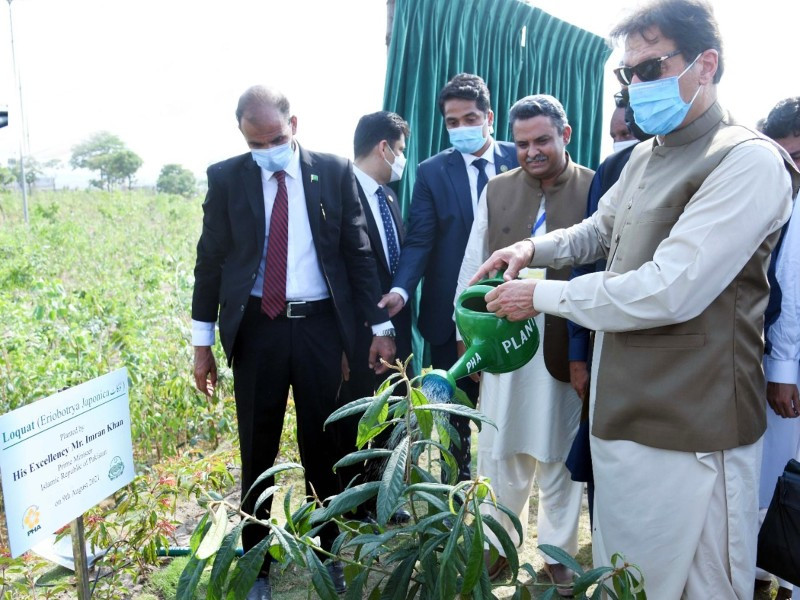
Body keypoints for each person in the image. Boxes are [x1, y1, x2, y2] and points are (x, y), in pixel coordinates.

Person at [468, 1, 799, 597]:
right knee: (630, 579)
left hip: (694, 427)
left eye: (650, 68)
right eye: (628, 74)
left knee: (700, 585)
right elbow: (600, 229)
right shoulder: (649, 153)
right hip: (622, 410)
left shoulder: (745, 160)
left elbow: (670, 289)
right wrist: (530, 250)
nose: (636, 85)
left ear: (706, 64)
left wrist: (542, 297)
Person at [191, 85, 396, 600]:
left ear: (295, 124)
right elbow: (210, 261)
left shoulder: (331, 171)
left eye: (276, 139)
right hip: (257, 330)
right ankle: (259, 560)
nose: (267, 151)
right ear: (242, 135)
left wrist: (379, 328)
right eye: (256, 143)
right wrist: (202, 344)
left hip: (322, 329)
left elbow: (358, 252)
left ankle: (328, 553)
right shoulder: (227, 178)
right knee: (256, 448)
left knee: (325, 445)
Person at [454, 94, 593, 589]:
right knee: (501, 449)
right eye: (522, 143)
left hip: (563, 344)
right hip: (502, 344)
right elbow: (474, 263)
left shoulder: (594, 187)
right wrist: (464, 336)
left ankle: (557, 556)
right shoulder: (496, 188)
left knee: (558, 454)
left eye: (542, 141)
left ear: (565, 135)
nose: (532, 152)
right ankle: (497, 547)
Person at [379, 73, 518, 482]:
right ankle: (455, 494)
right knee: (454, 412)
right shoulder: (432, 172)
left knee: (509, 411)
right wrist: (402, 288)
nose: (461, 128)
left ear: (489, 117)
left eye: (469, 118)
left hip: (512, 307)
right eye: (452, 122)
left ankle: (504, 491)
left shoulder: (519, 160)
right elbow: (420, 240)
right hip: (449, 313)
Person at [564, 88, 653, 521]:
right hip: (607, 342)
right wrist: (578, 352)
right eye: (616, 133)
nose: (623, 141)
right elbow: (589, 257)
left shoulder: (718, 163)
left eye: (630, 132)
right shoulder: (616, 167)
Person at [337, 110, 413, 524]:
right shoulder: (339, 190)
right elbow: (347, 269)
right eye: (400, 150)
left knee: (390, 416)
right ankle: (353, 502)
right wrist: (367, 329)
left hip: (393, 332)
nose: (402, 159)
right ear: (383, 147)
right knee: (359, 419)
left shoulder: (388, 196)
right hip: (359, 335)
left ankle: (381, 498)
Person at [755, 96, 800, 600]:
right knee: (775, 478)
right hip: (779, 361)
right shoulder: (769, 191)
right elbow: (789, 286)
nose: (791, 168)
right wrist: (783, 368)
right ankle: (769, 569)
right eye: (781, 154)